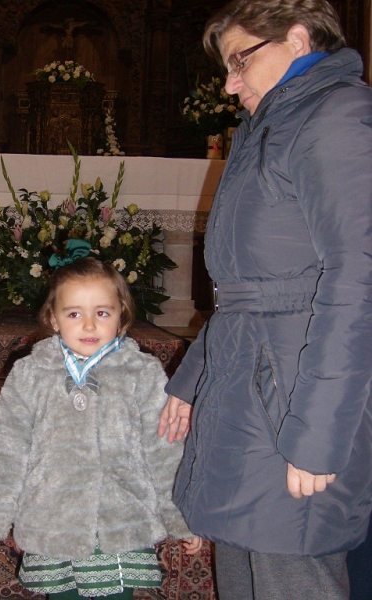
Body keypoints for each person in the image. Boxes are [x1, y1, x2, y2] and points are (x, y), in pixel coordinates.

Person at [157, 1, 372, 598]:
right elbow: (246, 285)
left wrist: (321, 434)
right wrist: (193, 376)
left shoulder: (338, 116)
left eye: (239, 61)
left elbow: (358, 280)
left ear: (297, 40)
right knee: (244, 570)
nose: (229, 84)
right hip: (251, 384)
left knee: (290, 569)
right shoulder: (272, 124)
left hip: (298, 399)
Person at [0, 252, 201, 600]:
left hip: (119, 523)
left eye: (102, 313)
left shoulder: (142, 373)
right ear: (53, 319)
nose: (89, 325)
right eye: (74, 314)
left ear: (121, 317)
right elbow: (4, 449)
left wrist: (182, 516)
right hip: (52, 521)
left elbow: (165, 450)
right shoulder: (30, 374)